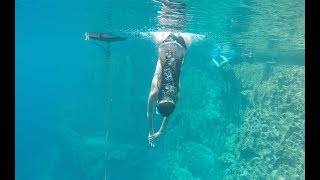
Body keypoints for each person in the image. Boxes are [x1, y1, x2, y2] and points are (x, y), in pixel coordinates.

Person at [147, 0, 191, 147]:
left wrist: (160, 132)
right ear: (158, 101)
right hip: (164, 43)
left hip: (183, 45)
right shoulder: (155, 91)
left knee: (180, 19)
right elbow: (150, 114)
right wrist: (151, 131)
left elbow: (168, 112)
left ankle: (178, 7)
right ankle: (167, 5)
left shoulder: (175, 95)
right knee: (165, 18)